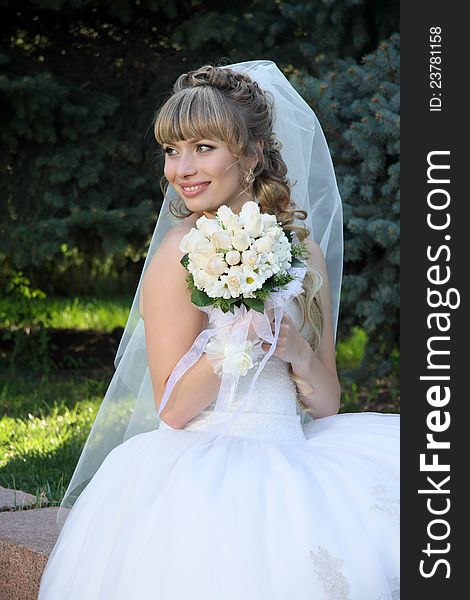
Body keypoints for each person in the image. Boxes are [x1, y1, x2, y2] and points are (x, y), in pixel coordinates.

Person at [38, 60, 399, 599]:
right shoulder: (178, 256)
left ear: (251, 155)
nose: (182, 168)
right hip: (206, 457)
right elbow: (174, 409)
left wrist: (296, 350)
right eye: (171, 150)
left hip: (296, 450)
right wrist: (234, 340)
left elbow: (326, 405)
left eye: (203, 148)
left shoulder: (305, 255)